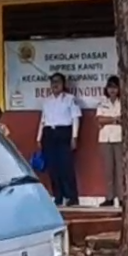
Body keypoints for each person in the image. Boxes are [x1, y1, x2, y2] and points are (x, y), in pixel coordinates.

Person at [37, 73, 81, 207]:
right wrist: (39, 137)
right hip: (49, 133)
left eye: (58, 82)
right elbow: (43, 120)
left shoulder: (70, 99)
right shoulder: (47, 101)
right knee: (53, 168)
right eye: (53, 82)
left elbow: (75, 118)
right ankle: (58, 196)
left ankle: (72, 197)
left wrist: (74, 137)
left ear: (63, 84)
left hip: (64, 133)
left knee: (66, 167)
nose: (55, 85)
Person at [95, 77, 122, 207]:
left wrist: (110, 120)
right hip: (105, 138)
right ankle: (110, 197)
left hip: (120, 138)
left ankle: (122, 198)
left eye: (115, 87)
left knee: (120, 170)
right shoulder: (102, 102)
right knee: (108, 170)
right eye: (110, 87)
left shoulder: (123, 102)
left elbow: (125, 119)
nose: (112, 90)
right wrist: (115, 120)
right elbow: (100, 120)